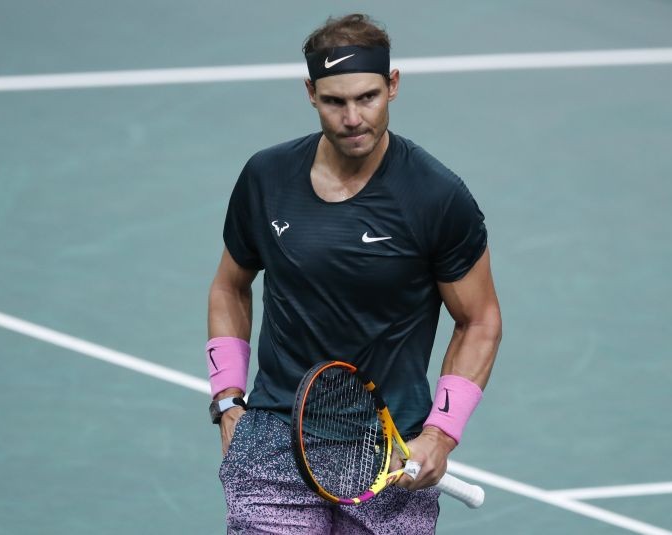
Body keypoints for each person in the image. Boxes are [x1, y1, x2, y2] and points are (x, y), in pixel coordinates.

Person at [206, 13, 502, 534]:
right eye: (335, 101)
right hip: (277, 440)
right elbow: (231, 285)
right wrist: (228, 397)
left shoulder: (435, 196)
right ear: (310, 93)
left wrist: (442, 433)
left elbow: (479, 319)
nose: (352, 118)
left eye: (367, 97)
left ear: (392, 85)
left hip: (391, 452)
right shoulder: (266, 176)